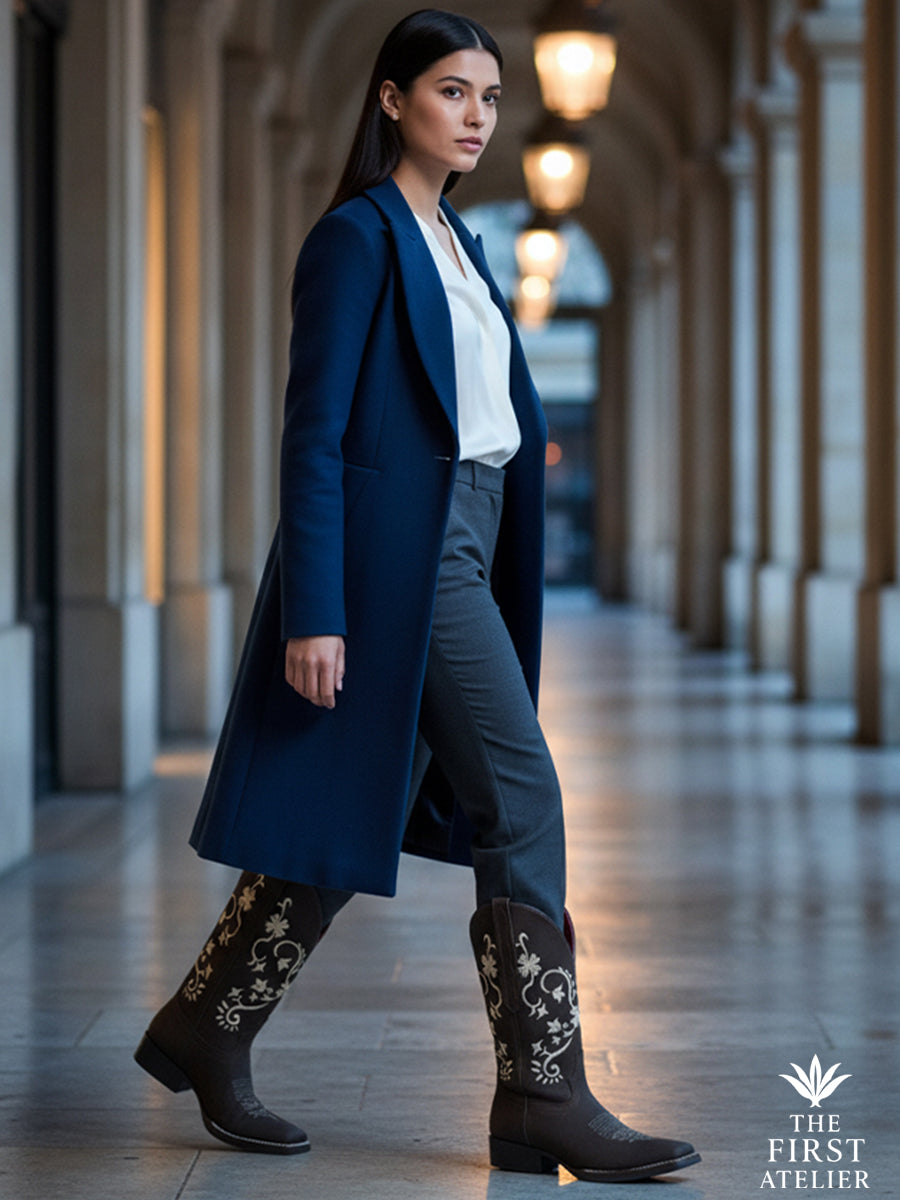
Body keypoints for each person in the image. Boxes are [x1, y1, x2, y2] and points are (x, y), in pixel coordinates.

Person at [134, 9, 700, 1185]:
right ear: (392, 99)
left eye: (489, 96)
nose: (477, 116)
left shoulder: (463, 246)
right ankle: (542, 1093)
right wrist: (317, 607)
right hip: (407, 557)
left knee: (370, 799)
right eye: (451, 91)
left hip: (469, 539)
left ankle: (207, 1023)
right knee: (523, 794)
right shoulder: (357, 238)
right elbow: (315, 436)